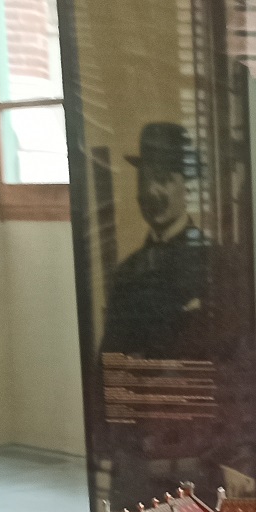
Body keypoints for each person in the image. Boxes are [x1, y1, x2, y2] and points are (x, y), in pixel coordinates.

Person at [99, 122, 211, 359]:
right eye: (144, 179)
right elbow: (108, 363)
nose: (151, 191)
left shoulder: (214, 262)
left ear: (187, 187)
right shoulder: (126, 273)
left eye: (162, 178)